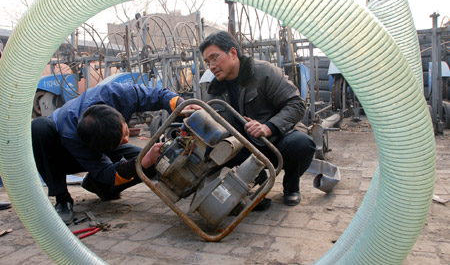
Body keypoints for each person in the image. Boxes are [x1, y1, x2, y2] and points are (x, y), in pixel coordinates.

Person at [31, 82, 193, 224]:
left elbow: (158, 95)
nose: (127, 141)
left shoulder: (116, 95)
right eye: (121, 141)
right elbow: (107, 172)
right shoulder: (72, 134)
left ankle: (101, 187)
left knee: (153, 163)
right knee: (40, 128)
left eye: (126, 134)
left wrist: (180, 104)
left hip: (97, 142)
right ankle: (62, 199)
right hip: (63, 155)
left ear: (119, 116)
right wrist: (142, 161)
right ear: (101, 146)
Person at [199, 31, 316, 207]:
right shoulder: (214, 90)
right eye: (208, 62)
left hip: (276, 139)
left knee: (301, 144)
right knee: (209, 154)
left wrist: (268, 127)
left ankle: (291, 186)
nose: (211, 66)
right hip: (244, 147)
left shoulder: (264, 72)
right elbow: (215, 125)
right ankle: (247, 187)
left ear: (232, 52)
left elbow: (296, 104)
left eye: (214, 58)